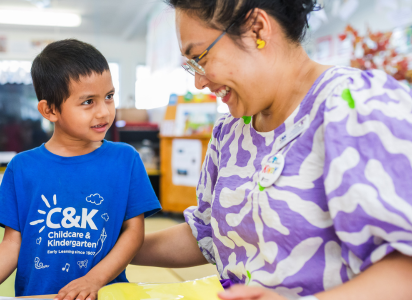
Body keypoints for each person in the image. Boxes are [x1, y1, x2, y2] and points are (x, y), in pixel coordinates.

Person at [131, 1, 412, 300]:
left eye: (200, 57)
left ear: (257, 29)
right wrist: (116, 246)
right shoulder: (230, 131)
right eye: (191, 66)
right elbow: (209, 233)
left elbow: (404, 269)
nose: (199, 82)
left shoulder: (356, 105)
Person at [0, 39, 161, 300]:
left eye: (109, 97)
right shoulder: (22, 167)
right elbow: (11, 245)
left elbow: (134, 232)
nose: (104, 112)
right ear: (49, 110)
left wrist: (94, 279)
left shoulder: (126, 159)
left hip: (104, 294)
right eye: (88, 102)